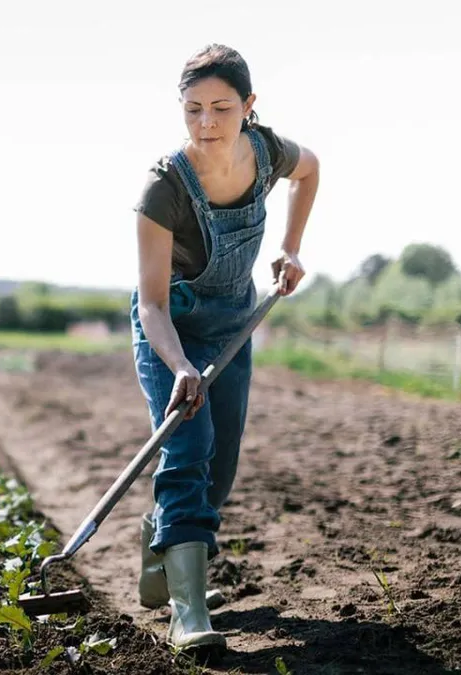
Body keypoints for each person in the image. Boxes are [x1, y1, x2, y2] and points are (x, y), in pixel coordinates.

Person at [131, 44, 320, 652]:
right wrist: (181, 366)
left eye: (220, 108)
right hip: (172, 333)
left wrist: (290, 246)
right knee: (189, 445)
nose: (206, 123)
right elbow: (152, 306)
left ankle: (164, 538)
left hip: (233, 324)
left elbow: (311, 169)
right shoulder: (163, 188)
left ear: (249, 106)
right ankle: (188, 612)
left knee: (221, 461)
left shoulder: (267, 153)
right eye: (192, 110)